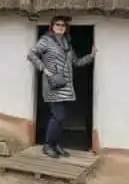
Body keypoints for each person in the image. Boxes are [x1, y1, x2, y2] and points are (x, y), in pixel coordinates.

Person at [27, 15, 97, 159]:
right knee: (57, 115)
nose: (60, 27)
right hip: (52, 84)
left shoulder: (67, 44)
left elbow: (76, 63)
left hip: (65, 86)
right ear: (52, 26)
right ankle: (48, 145)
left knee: (61, 117)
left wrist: (91, 56)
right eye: (57, 24)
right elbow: (31, 55)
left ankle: (56, 144)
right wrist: (45, 70)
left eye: (63, 25)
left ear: (66, 28)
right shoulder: (46, 41)